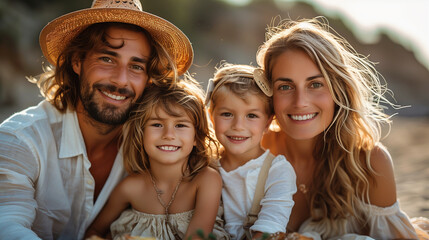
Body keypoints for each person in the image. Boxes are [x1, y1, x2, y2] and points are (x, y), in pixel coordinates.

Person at [0, 0, 193, 239]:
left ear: (148, 79)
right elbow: (7, 226)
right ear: (77, 61)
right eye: (107, 59)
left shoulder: (158, 145)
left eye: (136, 66)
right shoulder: (19, 140)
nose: (121, 80)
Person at [257, 17, 420, 239]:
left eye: (315, 84)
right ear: (269, 94)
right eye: (285, 86)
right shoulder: (250, 153)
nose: (300, 102)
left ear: (338, 90)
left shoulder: (370, 164)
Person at [85, 79, 230, 240]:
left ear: (196, 137)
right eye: (157, 125)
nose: (168, 134)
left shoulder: (206, 180)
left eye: (180, 125)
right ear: (141, 134)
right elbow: (94, 231)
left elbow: (197, 237)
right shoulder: (130, 188)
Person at [206, 63, 296, 240]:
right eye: (227, 114)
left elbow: (270, 229)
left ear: (267, 123)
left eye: (252, 116)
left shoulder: (277, 170)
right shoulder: (204, 164)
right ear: (211, 116)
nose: (238, 126)